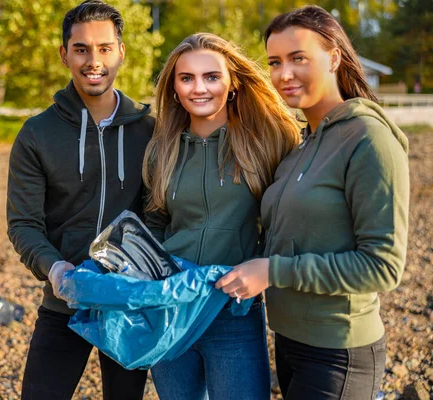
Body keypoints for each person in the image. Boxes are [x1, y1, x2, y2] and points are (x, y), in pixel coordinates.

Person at [215, 5, 410, 400]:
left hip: (339, 350)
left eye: (298, 58)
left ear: (334, 57)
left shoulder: (368, 140)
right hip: (290, 342)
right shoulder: (300, 143)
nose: (284, 74)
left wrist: (273, 271)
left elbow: (383, 266)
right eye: (274, 62)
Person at [6, 1, 154, 399]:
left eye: (105, 48)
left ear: (121, 52)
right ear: (64, 54)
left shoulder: (151, 129)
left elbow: (162, 212)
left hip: (128, 303)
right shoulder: (37, 134)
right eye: (82, 49)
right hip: (63, 303)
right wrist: (55, 271)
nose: (94, 61)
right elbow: (23, 224)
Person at [143, 32, 300, 400]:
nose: (199, 88)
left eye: (211, 77)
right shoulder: (161, 150)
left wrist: (264, 266)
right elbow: (155, 223)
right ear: (175, 87)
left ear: (232, 84)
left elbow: (288, 218)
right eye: (187, 78)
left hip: (234, 312)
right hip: (172, 313)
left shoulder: (269, 140)